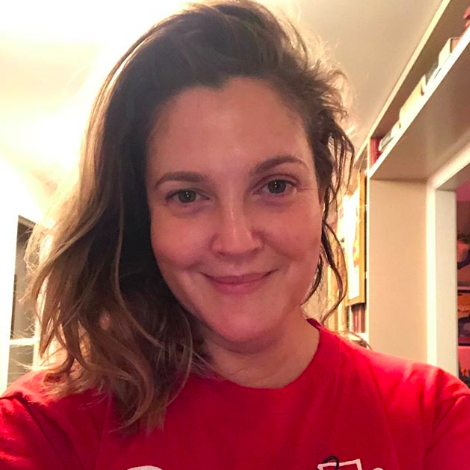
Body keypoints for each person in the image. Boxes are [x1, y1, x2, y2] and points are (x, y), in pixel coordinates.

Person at [1, 1, 469, 469]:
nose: (236, 241)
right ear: (144, 218)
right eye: (187, 195)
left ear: (323, 195)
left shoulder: (433, 417)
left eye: (276, 186)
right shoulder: (45, 430)